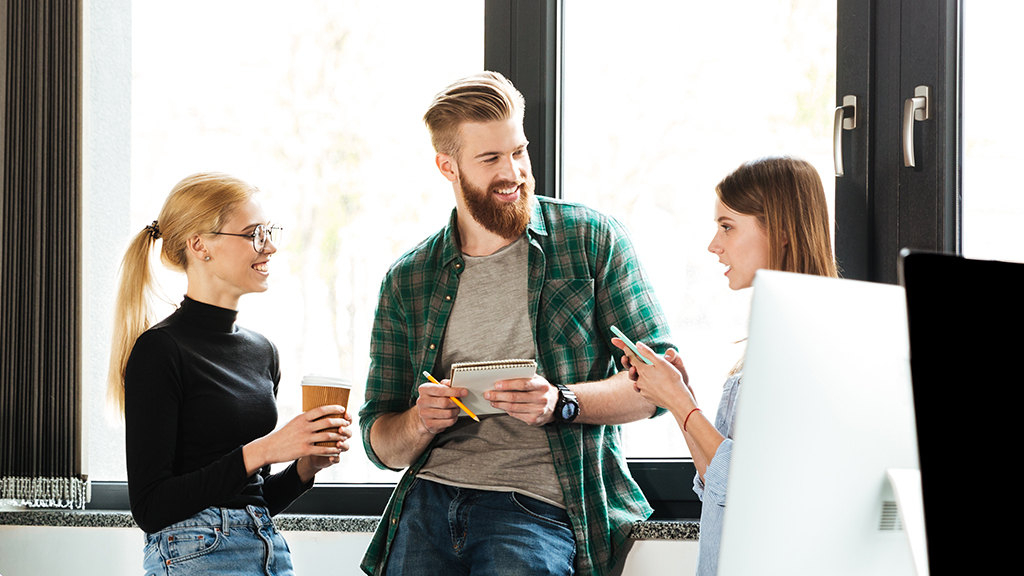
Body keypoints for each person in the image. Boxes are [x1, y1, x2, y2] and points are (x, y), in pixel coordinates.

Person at [358, 72, 674, 576]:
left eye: (519, 152)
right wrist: (420, 420)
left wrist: (561, 402)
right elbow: (380, 441)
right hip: (426, 504)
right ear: (448, 166)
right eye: (490, 159)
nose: (515, 172)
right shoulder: (408, 280)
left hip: (538, 507)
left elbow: (659, 387)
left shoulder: (590, 241)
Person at [106, 172, 353, 575]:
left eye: (270, 232)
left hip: (267, 548)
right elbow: (151, 508)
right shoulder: (159, 351)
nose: (270, 246)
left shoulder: (264, 353)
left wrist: (305, 466)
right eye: (255, 234)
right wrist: (268, 448)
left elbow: (251, 500)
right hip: (192, 552)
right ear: (200, 245)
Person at [612, 156, 839, 576]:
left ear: (783, 230)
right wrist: (680, 394)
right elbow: (719, 485)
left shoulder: (813, 343)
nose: (714, 244)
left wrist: (680, 404)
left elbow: (751, 487)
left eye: (727, 226)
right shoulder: (770, 334)